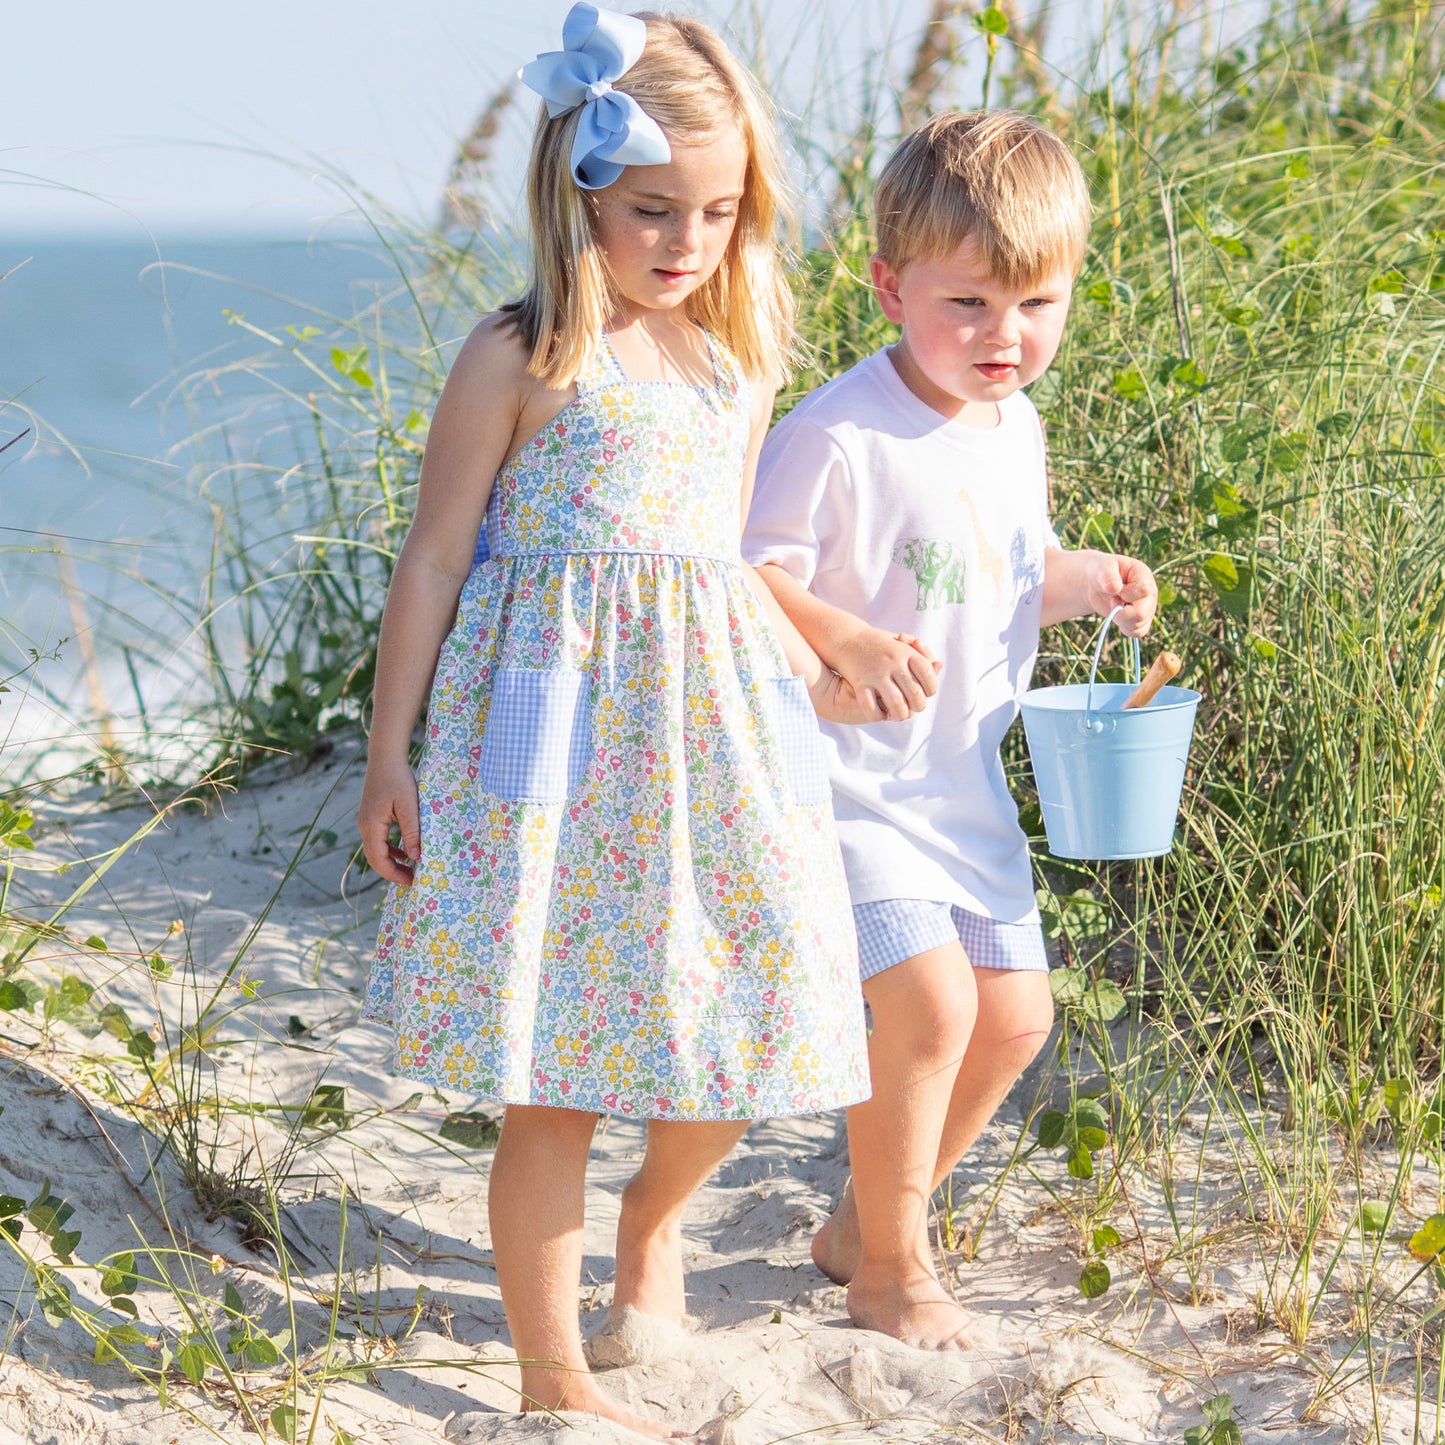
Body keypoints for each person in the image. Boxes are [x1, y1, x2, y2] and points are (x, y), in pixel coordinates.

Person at [357, 5, 870, 1435]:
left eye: (719, 211)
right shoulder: (520, 354)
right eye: (654, 209)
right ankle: (550, 1370)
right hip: (546, 742)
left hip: (714, 737)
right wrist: (390, 752)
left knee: (753, 1011)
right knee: (554, 1071)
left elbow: (724, 563)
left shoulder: (737, 353)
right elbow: (437, 558)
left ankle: (654, 1226)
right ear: (578, 186)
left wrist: (823, 643)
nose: (687, 240)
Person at [744, 109, 1159, 1351]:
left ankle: (865, 1216)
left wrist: (1084, 580)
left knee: (1017, 1017)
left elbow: (994, 567)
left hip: (959, 785)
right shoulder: (837, 432)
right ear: (887, 286)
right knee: (927, 1009)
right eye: (967, 303)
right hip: (845, 781)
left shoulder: (1012, 424)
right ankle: (887, 1266)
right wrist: (844, 642)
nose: (1004, 336)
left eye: (1035, 303)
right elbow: (740, 576)